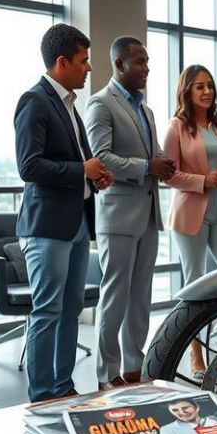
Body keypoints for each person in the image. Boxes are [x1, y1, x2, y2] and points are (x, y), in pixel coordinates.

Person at [15, 23, 113, 403]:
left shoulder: (71, 105)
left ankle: (62, 388)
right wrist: (80, 171)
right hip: (47, 227)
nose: (89, 68)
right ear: (61, 62)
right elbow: (29, 166)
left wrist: (94, 177)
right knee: (47, 310)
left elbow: (80, 162)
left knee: (70, 309)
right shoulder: (34, 101)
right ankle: (41, 394)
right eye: (84, 61)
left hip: (75, 224)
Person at [86, 36, 175, 391]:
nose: (147, 69)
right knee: (115, 297)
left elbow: (151, 154)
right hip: (118, 217)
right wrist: (146, 167)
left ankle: (134, 369)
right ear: (119, 64)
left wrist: (162, 163)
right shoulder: (100, 104)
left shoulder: (147, 110)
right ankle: (107, 375)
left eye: (147, 62)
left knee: (141, 297)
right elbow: (100, 156)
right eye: (140, 62)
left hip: (148, 214)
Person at [162, 65, 217, 379]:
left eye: (209, 85)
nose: (207, 91)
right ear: (187, 92)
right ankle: (195, 354)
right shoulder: (177, 127)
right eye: (199, 87)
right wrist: (203, 180)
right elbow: (169, 174)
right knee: (195, 285)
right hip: (190, 216)